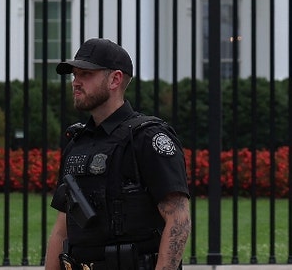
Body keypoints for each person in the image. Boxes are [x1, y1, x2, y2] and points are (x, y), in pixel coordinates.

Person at [44, 38, 191, 270]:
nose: (76, 82)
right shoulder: (77, 143)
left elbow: (178, 219)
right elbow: (63, 226)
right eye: (75, 75)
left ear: (115, 79)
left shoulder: (147, 138)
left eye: (86, 74)